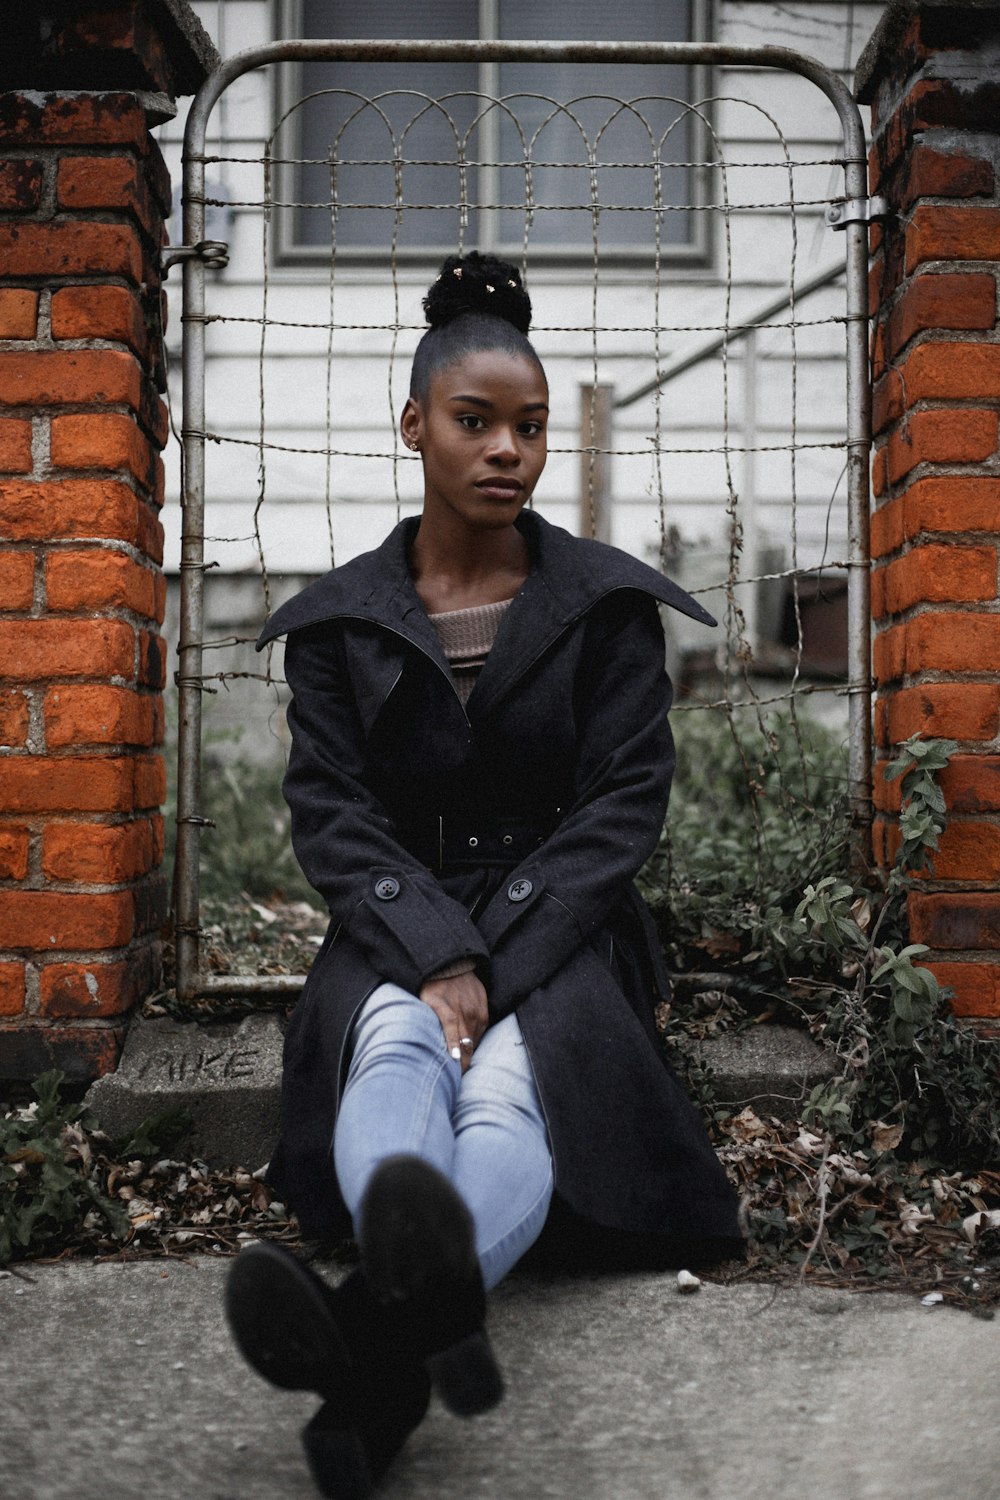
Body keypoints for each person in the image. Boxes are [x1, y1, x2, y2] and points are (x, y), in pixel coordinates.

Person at [225, 251, 741, 1499]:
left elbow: (622, 804)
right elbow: (333, 812)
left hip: (565, 924)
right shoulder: (341, 624)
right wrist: (440, 956)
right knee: (396, 1044)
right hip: (399, 915)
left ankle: (377, 1332)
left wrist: (495, 963)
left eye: (529, 428)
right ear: (415, 426)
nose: (506, 449)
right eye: (475, 422)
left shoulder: (604, 608)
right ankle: (412, 1318)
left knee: (513, 1082)